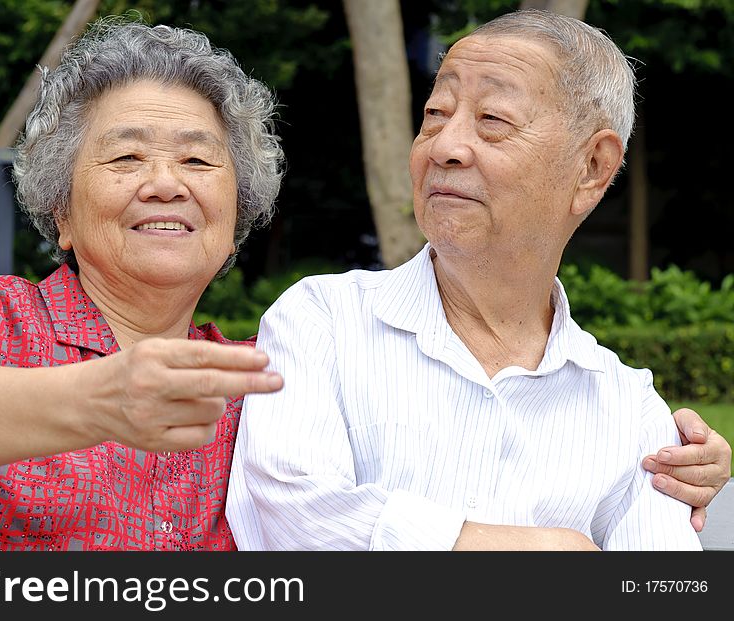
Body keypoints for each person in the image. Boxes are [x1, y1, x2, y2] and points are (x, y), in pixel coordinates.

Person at [226, 9, 732, 550]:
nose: (445, 146)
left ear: (592, 167)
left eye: (493, 119)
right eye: (435, 113)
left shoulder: (628, 409)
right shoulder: (321, 320)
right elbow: (292, 521)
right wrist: (537, 550)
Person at [0, 17, 285, 550]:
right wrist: (102, 399)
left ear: (236, 219)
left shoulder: (263, 383)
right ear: (62, 213)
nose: (166, 184)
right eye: (127, 157)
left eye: (197, 160)